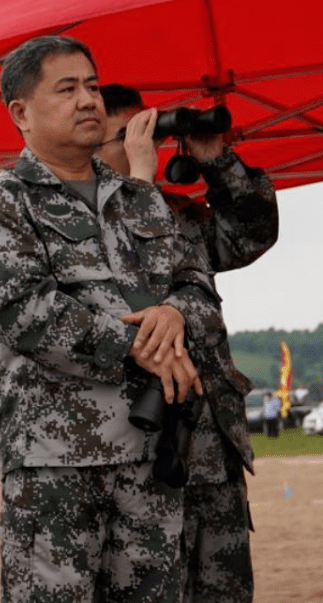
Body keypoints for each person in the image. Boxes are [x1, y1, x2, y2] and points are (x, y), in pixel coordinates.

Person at [0, 35, 224, 603]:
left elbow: (195, 284)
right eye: (68, 89)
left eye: (93, 87)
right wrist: (138, 344)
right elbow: (21, 311)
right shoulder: (1, 201)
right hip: (56, 465)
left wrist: (175, 313)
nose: (88, 101)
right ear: (20, 113)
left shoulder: (139, 199)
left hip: (151, 455)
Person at [96, 82, 278, 603]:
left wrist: (215, 161)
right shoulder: (79, 222)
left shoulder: (178, 218)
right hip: (139, 454)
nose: (144, 146)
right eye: (129, 136)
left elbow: (251, 233)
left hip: (209, 454)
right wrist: (138, 179)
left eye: (148, 133)